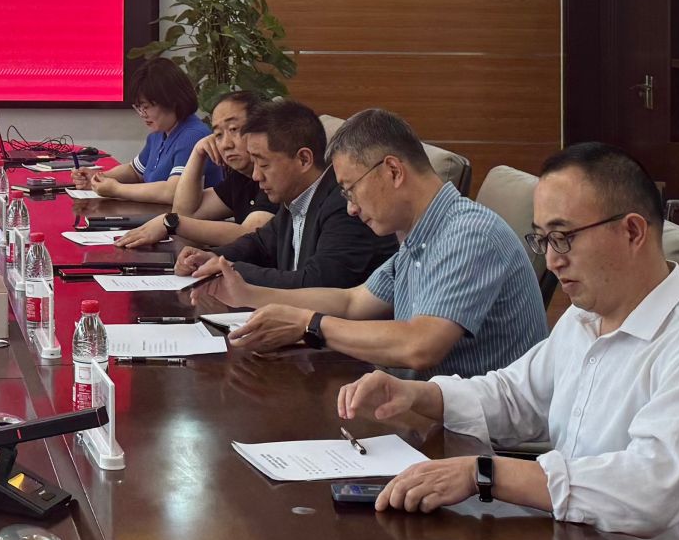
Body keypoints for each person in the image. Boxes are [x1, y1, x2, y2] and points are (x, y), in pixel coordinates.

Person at [337, 143, 679, 540]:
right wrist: (418, 394)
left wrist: (484, 474)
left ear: (632, 231)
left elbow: (650, 490)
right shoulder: (584, 320)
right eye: (543, 240)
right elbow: (516, 396)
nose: (553, 261)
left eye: (564, 238)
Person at [205, 107, 546, 378]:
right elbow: (352, 301)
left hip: (475, 434)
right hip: (423, 409)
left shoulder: (468, 234)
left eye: (350, 189)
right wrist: (248, 294)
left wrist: (310, 324)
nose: (351, 208)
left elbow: (420, 345)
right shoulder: (419, 234)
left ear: (393, 171)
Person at [178, 99, 395, 289]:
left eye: (264, 164)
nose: (256, 176)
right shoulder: (296, 199)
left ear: (303, 159)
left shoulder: (345, 204)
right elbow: (260, 244)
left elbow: (316, 283)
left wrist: (233, 269)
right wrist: (213, 257)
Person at [113, 91, 276, 250]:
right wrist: (198, 153)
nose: (226, 144)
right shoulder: (241, 177)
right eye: (218, 134)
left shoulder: (275, 176)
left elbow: (250, 235)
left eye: (233, 129)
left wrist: (170, 223)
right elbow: (186, 212)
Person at [71, 57, 220, 200]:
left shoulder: (193, 136)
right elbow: (135, 171)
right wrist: (99, 178)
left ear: (172, 101)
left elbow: (174, 191)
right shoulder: (159, 134)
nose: (142, 114)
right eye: (138, 107)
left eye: (146, 107)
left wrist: (117, 189)